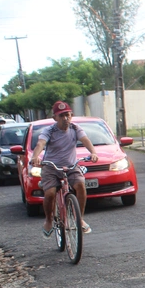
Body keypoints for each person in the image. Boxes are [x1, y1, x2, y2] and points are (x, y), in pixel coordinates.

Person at [31, 101, 99, 237]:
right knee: (50, 193)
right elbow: (40, 143)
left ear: (71, 115)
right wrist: (35, 156)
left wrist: (93, 152)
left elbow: (85, 140)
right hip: (51, 167)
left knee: (80, 185)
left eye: (67, 115)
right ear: (55, 118)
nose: (65, 118)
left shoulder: (75, 128)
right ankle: (49, 220)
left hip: (71, 166)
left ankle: (79, 218)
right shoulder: (49, 131)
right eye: (61, 116)